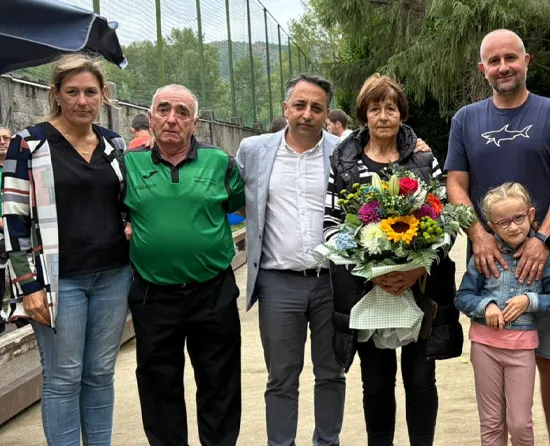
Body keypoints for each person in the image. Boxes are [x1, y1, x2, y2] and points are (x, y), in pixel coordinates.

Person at [445, 29, 550, 446]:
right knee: (495, 376)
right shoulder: (465, 119)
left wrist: (541, 240)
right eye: (494, 60)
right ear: (482, 68)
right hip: (489, 267)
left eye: (511, 58)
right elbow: (455, 185)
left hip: (545, 262)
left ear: (527, 60)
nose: (503, 67)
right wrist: (478, 234)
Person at [322, 73, 461, 446]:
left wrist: (418, 266)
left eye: (391, 108)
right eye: (375, 108)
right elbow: (331, 223)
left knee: (420, 379)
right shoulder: (345, 161)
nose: (383, 116)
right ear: (363, 114)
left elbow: (445, 220)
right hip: (366, 289)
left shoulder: (423, 158)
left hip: (420, 286)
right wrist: (370, 270)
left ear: (401, 114)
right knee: (377, 381)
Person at [1, 53, 131, 445]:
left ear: (104, 95)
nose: (82, 101)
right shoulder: (29, 143)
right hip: (59, 282)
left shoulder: (113, 144)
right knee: (63, 377)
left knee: (100, 374)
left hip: (113, 276)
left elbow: (125, 204)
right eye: (72, 91)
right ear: (55, 93)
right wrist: (29, 286)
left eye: (91, 92)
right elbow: (13, 219)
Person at [123, 84, 245, 446]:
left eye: (182, 112)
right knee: (158, 386)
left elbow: (236, 204)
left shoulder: (221, 162)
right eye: (163, 109)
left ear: (196, 122)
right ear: (150, 116)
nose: (171, 119)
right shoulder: (127, 163)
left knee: (220, 383)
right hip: (153, 295)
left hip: (213, 292)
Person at [236, 74, 345, 446]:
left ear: (327, 113)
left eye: (316, 107)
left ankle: (326, 442)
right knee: (281, 377)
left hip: (332, 281)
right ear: (285, 109)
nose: (306, 114)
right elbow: (232, 200)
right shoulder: (253, 151)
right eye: (299, 105)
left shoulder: (343, 151)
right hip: (277, 281)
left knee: (331, 373)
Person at [455, 182, 550, 446]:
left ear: (530, 215)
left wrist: (530, 301)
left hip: (522, 348)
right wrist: (487, 306)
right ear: (491, 227)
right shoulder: (484, 256)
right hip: (485, 346)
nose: (514, 227)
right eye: (504, 222)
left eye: (518, 218)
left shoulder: (544, 257)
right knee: (491, 423)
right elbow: (463, 296)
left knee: (519, 424)